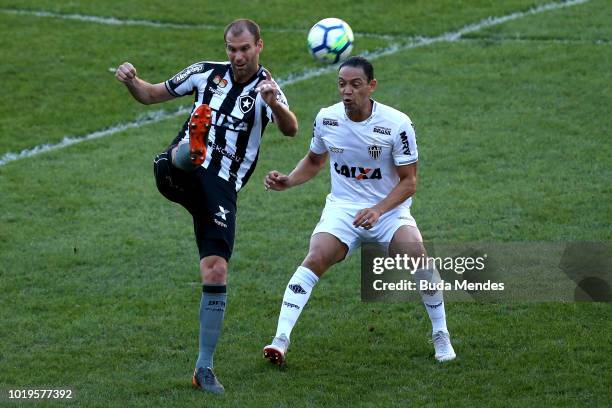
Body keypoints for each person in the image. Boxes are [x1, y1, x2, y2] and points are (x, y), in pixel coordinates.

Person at [115, 19, 298, 394]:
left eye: (245, 49)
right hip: (181, 172)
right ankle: (189, 150)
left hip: (222, 187)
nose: (237, 56)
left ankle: (204, 368)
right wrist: (132, 80)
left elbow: (291, 129)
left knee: (215, 271)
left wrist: (274, 104)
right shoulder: (204, 73)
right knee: (177, 162)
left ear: (259, 46)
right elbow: (151, 94)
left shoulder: (268, 90)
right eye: (232, 49)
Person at [262, 56, 455, 366]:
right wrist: (289, 180)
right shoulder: (327, 118)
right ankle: (280, 340)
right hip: (343, 211)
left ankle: (440, 333)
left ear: (371, 86)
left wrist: (378, 210)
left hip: (388, 211)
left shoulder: (397, 124)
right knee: (314, 258)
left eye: (355, 84)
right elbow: (314, 161)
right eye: (342, 84)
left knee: (417, 255)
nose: (347, 91)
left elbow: (409, 182)